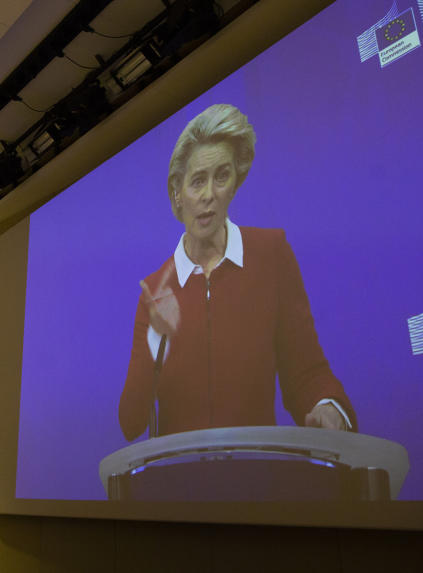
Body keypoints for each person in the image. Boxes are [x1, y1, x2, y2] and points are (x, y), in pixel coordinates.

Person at [118, 103, 357, 441]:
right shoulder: (156, 292)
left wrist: (327, 406)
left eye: (222, 177)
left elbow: (306, 372)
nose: (209, 196)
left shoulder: (271, 255)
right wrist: (157, 339)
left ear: (235, 183)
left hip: (258, 481)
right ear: (177, 192)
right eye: (197, 181)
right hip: (179, 486)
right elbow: (131, 422)